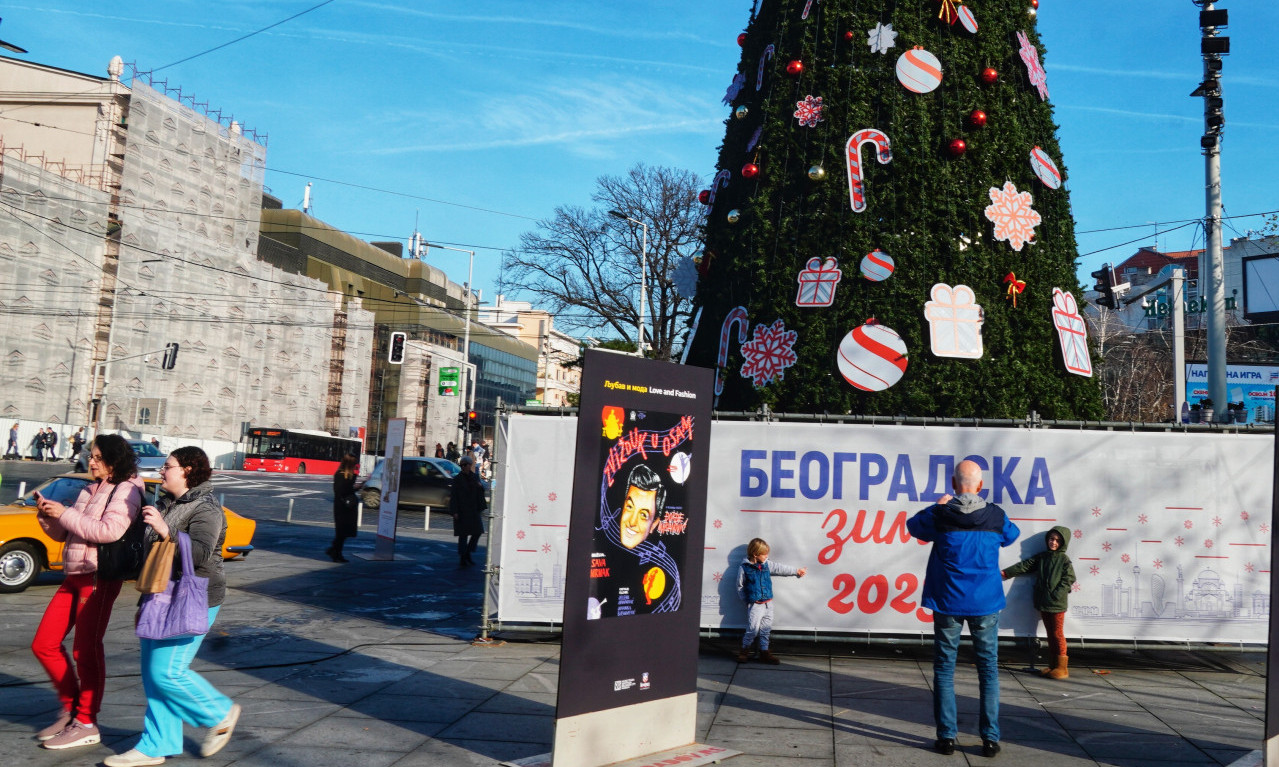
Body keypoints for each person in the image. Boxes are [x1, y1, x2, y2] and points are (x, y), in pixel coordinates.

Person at [105, 446, 239, 767]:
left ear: (187, 471)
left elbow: (201, 553)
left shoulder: (206, 508)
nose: (162, 471)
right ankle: (156, 744)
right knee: (153, 675)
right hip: (160, 595)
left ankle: (218, 713)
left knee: (167, 672)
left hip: (194, 597)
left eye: (168, 466)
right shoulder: (166, 503)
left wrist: (167, 531)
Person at [31, 434, 145, 750]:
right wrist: (47, 515)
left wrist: (66, 514)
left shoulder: (127, 490)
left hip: (98, 576)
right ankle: (71, 709)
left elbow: (109, 531)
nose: (91, 462)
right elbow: (65, 533)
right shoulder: (90, 488)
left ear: (113, 460)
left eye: (97, 457)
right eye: (90, 456)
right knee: (44, 644)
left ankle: (86, 722)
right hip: (74, 573)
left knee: (86, 649)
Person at [906, 459, 1019, 758]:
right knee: (988, 670)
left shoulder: (940, 515)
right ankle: (990, 739)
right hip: (985, 603)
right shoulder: (996, 515)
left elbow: (913, 527)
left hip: (948, 602)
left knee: (945, 668)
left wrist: (937, 506)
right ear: (980, 486)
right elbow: (1012, 535)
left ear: (954, 485)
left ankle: (946, 738)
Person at [1002, 526, 1076, 679]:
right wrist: (1007, 572)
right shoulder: (1043, 557)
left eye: (1057, 540)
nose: (1053, 542)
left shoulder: (1064, 559)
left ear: (1063, 543)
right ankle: (1053, 665)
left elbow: (1069, 578)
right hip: (1043, 602)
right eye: (1051, 539)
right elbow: (1026, 565)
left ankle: (1062, 668)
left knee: (1057, 634)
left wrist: (1056, 594)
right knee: (1050, 634)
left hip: (1056, 604)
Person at [736, 538, 807, 664]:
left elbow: (780, 568)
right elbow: (740, 586)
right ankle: (744, 650)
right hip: (755, 605)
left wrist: (796, 571)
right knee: (752, 629)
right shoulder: (744, 568)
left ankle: (764, 653)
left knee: (765, 629)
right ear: (755, 554)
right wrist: (747, 601)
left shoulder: (767, 564)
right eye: (764, 554)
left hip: (768, 604)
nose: (766, 556)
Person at [449, 454, 487, 566]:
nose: (463, 467)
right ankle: (463, 558)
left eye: (465, 465)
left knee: (478, 532)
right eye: (462, 465)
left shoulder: (475, 477)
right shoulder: (457, 479)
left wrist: (480, 487)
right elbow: (454, 496)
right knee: (463, 535)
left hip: (474, 509)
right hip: (462, 510)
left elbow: (481, 490)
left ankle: (468, 552)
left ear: (470, 465)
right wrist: (454, 511)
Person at [327, 454, 360, 563]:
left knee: (343, 532)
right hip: (343, 507)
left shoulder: (344, 475)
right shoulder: (343, 475)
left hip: (343, 506)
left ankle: (335, 551)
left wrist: (354, 486)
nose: (356, 466)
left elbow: (344, 490)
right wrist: (354, 487)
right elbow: (343, 490)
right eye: (354, 464)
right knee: (342, 532)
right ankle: (335, 552)